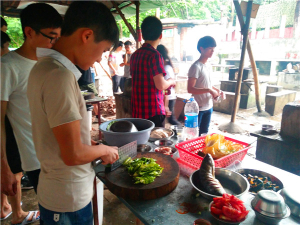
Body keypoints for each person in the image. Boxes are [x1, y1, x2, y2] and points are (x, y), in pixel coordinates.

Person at [27, 2, 119, 224]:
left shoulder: (45, 67)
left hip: (62, 193)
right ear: (87, 36)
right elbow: (73, 154)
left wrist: (94, 147)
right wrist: (104, 149)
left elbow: (65, 141)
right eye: (103, 50)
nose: (99, 59)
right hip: (67, 200)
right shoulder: (58, 77)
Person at [1, 3, 62, 224]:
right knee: (54, 215)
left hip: (61, 152)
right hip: (36, 160)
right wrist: (4, 167)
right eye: (51, 37)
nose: (54, 43)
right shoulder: (8, 67)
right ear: (29, 32)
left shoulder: (50, 62)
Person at [130, 16, 176, 127]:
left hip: (137, 111)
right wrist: (170, 81)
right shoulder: (155, 55)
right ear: (161, 35)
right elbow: (160, 85)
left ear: (142, 35)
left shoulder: (135, 55)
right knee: (156, 142)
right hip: (153, 112)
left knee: (141, 142)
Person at [187, 36, 223, 136]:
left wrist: (217, 90)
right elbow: (190, 89)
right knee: (193, 135)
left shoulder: (208, 65)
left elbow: (208, 84)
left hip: (208, 106)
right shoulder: (196, 67)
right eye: (210, 48)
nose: (212, 51)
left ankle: (200, 151)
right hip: (197, 108)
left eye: (213, 49)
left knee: (204, 134)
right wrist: (209, 90)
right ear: (201, 49)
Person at [157, 44, 181, 126]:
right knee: (170, 119)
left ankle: (180, 132)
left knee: (171, 120)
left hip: (168, 98)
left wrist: (165, 106)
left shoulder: (166, 69)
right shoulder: (167, 67)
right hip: (169, 97)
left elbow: (166, 89)